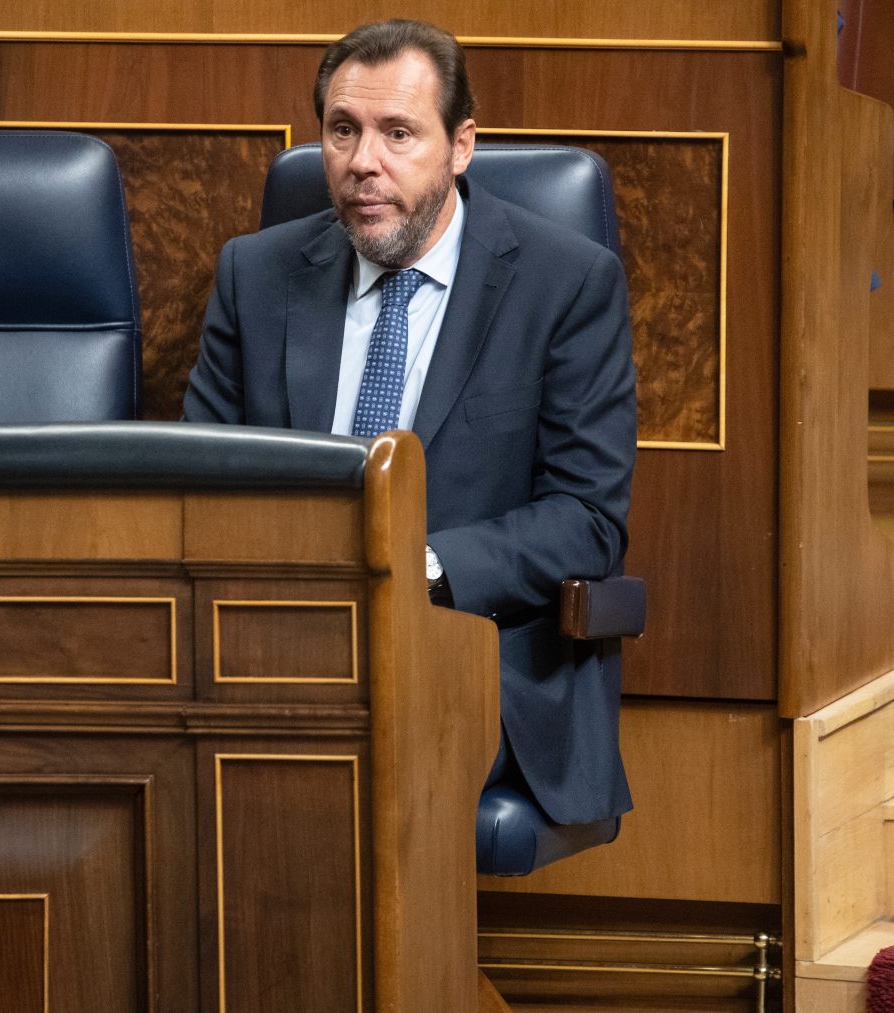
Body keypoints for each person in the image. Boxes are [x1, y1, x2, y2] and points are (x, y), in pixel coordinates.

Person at [183, 19, 636, 831]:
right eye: (343, 131)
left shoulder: (565, 284)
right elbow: (197, 480)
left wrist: (410, 565)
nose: (364, 162)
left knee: (317, 757)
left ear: (461, 145)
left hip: (466, 651)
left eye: (398, 133)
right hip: (270, 641)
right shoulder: (255, 275)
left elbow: (588, 520)